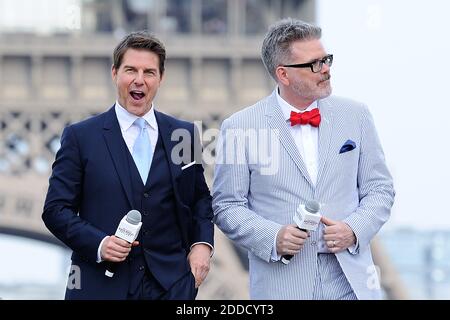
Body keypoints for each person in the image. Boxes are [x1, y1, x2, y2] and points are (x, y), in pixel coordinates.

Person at [212, 18, 395, 300]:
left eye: (327, 60)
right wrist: (273, 236)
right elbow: (226, 206)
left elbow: (380, 189)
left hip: (351, 285)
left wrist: (353, 230)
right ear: (283, 74)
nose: (326, 70)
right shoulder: (240, 127)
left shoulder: (356, 116)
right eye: (315, 64)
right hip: (281, 286)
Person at [42, 31, 214, 300]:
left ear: (161, 78)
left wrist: (203, 246)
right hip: (101, 287)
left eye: (149, 72)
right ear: (114, 73)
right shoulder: (81, 137)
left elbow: (200, 200)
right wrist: (99, 244)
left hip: (172, 288)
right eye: (130, 70)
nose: (139, 80)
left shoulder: (185, 135)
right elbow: (55, 210)